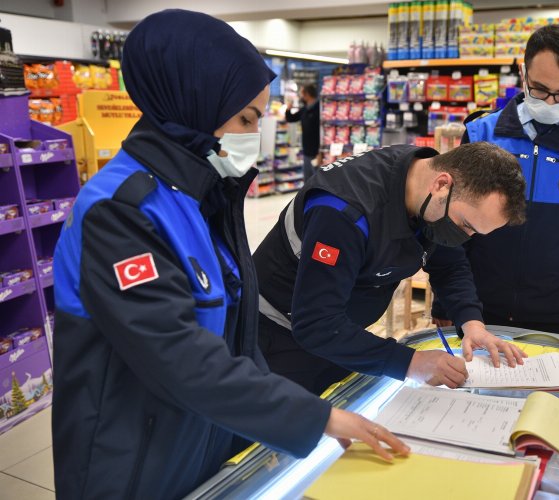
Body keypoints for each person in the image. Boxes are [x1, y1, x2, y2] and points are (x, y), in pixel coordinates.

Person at [51, 10, 407, 500]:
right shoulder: (122, 212)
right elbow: (176, 355)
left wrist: (275, 423)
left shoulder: (199, 196)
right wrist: (313, 416)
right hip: (133, 465)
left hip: (200, 445)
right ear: (194, 103)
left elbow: (237, 340)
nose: (252, 135)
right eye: (246, 117)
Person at [254, 142, 528, 395]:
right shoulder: (343, 212)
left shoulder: (429, 190)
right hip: (277, 337)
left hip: (343, 332)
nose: (466, 235)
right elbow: (316, 323)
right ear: (442, 184)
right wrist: (411, 363)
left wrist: (472, 324)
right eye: (466, 224)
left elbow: (450, 265)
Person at [433, 25, 559, 341]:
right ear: (522, 72)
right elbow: (453, 227)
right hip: (476, 312)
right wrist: (446, 302)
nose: (551, 102)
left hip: (556, 313)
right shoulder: (482, 133)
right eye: (539, 88)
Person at [285, 83, 321, 181]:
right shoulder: (304, 109)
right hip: (306, 151)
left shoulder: (319, 108)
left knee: (318, 180)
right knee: (308, 180)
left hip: (317, 151)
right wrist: (288, 109)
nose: (300, 96)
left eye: (302, 94)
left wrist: (320, 151)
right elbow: (291, 119)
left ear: (307, 94)